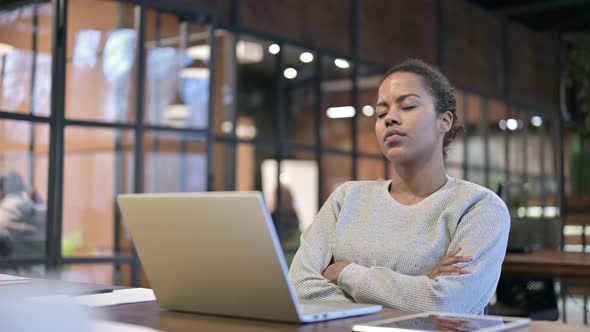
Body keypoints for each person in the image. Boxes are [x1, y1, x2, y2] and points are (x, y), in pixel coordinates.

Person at [289, 59, 510, 314]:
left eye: (407, 106)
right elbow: (299, 287)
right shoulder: (346, 198)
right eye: (381, 113)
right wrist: (422, 287)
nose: (390, 118)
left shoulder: (478, 207)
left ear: (444, 121)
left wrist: (345, 273)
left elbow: (450, 304)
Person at [0, 170, 46, 258]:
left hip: (11, 269)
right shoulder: (44, 214)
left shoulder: (3, 217)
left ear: (2, 192)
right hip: (43, 269)